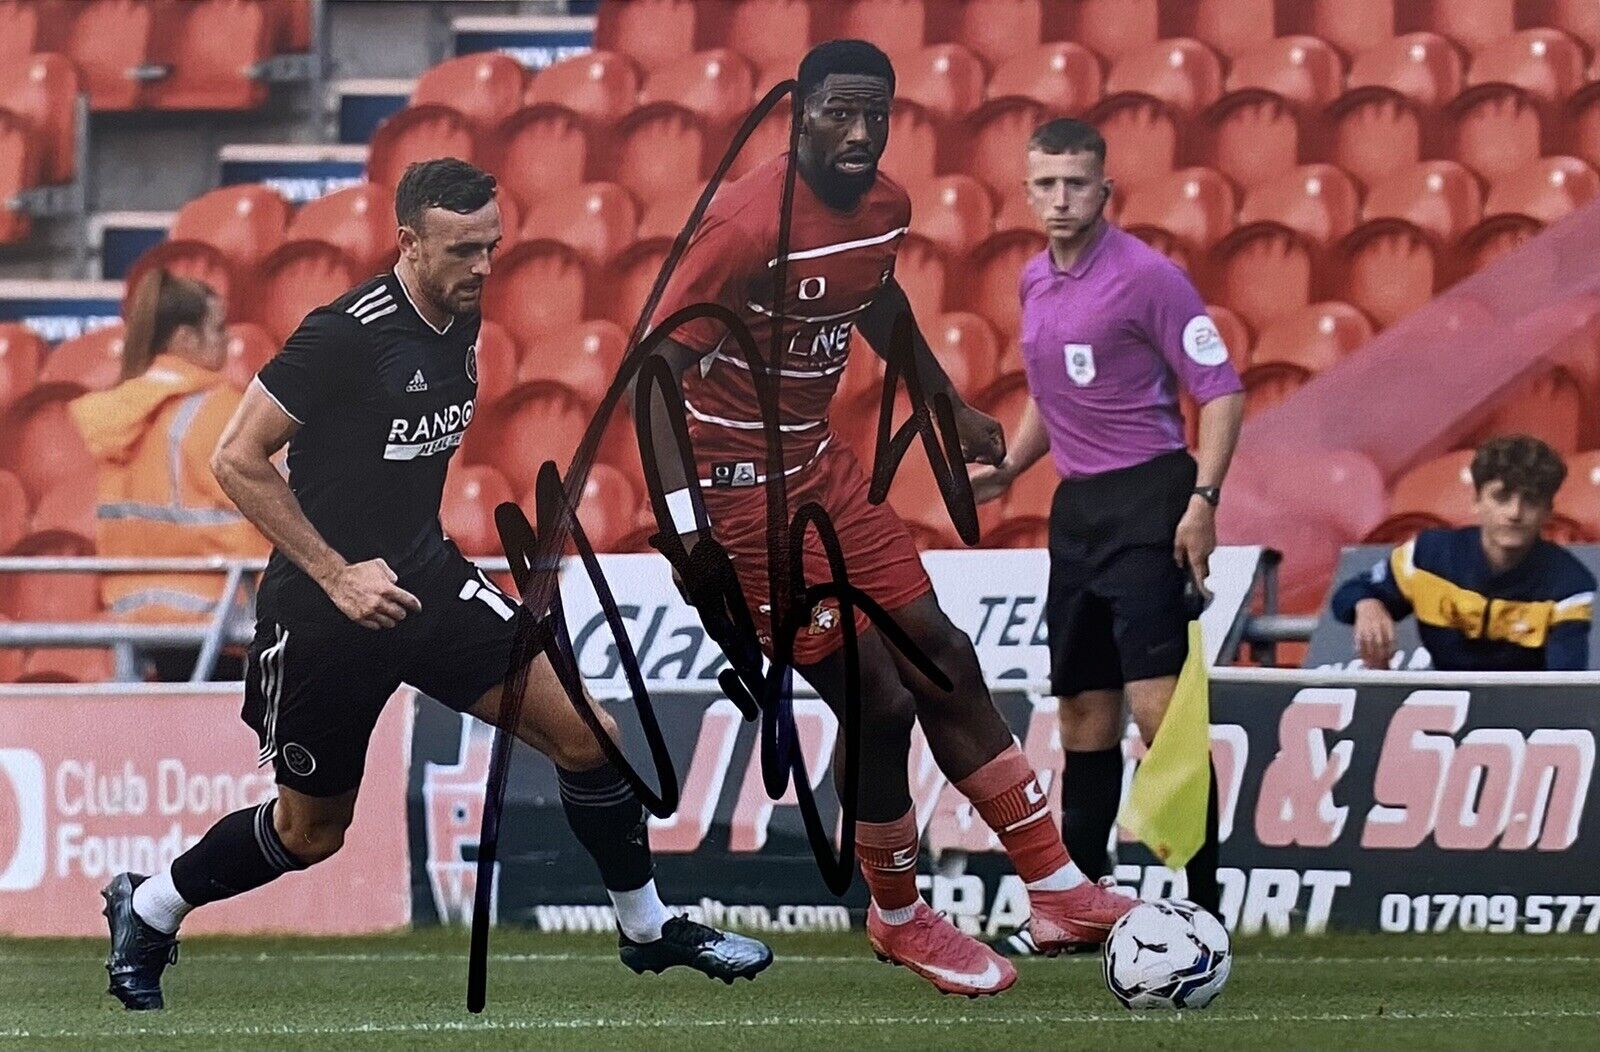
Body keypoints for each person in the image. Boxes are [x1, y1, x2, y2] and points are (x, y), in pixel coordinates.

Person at [100, 158, 771, 1012]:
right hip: (323, 614)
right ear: (409, 242)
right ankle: (150, 906)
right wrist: (339, 575)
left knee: (588, 733)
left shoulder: (462, 314)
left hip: (426, 583)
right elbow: (237, 457)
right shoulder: (343, 334)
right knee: (311, 834)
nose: (484, 268)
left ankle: (645, 929)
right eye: (463, 250)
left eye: (492, 247)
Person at [638, 41, 1134, 998]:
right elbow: (654, 375)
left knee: (946, 654)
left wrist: (943, 405)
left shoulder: (886, 207)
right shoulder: (745, 222)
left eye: (878, 116)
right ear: (798, 117)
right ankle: (901, 918)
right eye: (840, 115)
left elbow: (879, 299)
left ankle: (1058, 886)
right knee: (880, 704)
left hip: (823, 471)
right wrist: (686, 528)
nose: (861, 134)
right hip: (743, 503)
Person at [967, 118, 1245, 956]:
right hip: (1078, 510)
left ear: (1104, 189)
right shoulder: (1031, 282)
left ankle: (1203, 911)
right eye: (1045, 184)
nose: (1060, 198)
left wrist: (1203, 499)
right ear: (1026, 192)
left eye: (1075, 183)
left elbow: (1222, 392)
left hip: (1152, 496)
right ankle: (1071, 914)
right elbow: (1048, 393)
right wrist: (1014, 466)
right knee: (1083, 713)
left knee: (1161, 719)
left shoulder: (1149, 279)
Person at [67, 269, 268, 681]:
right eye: (217, 328)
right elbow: (268, 511)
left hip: (139, 618)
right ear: (183, 339)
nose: (228, 340)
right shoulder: (219, 409)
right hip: (222, 613)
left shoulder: (119, 415)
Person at [1331, 434, 1595, 671]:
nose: (1515, 513)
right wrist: (1368, 605)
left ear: (1548, 511)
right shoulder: (1428, 555)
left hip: (1525, 715)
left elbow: (1562, 685)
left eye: (1530, 501)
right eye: (1501, 498)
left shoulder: (1570, 584)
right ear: (1477, 502)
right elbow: (1347, 596)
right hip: (1442, 708)